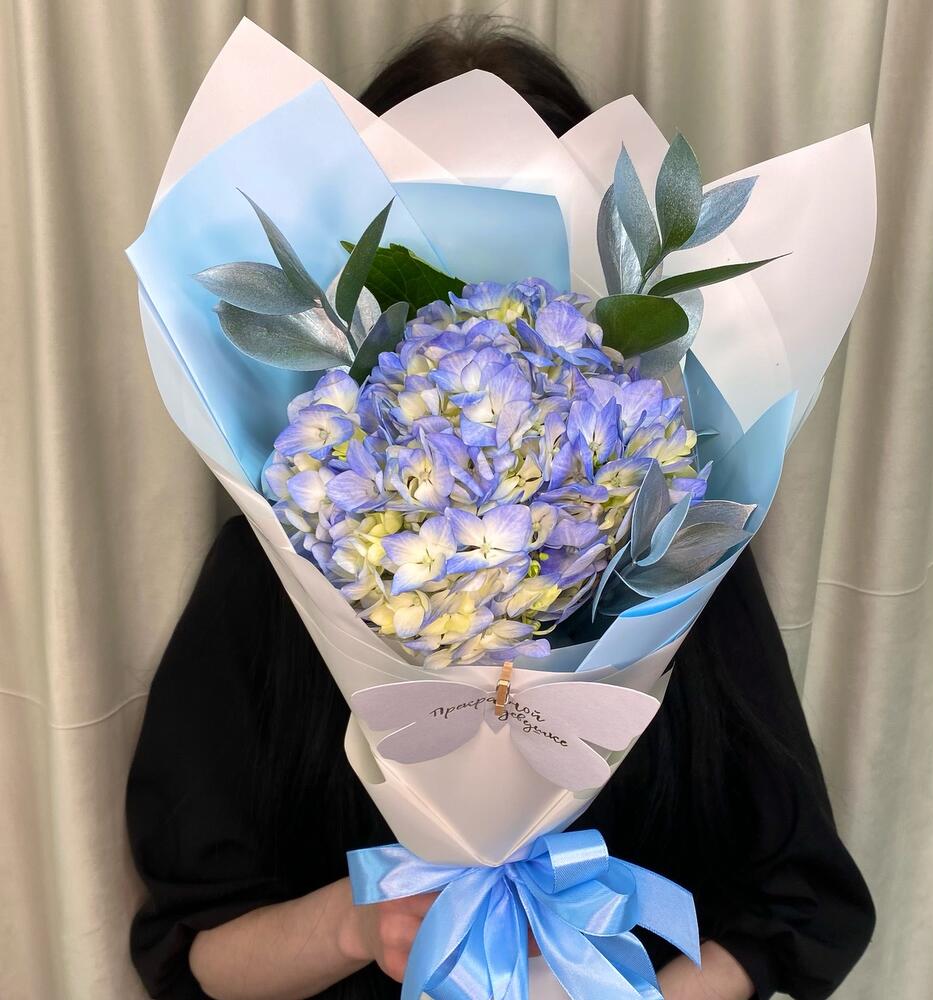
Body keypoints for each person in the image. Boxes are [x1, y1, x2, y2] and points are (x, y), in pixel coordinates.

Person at [126, 16, 875, 1000]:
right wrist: (361, 923)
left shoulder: (672, 552)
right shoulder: (268, 569)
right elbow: (193, 951)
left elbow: (802, 907)